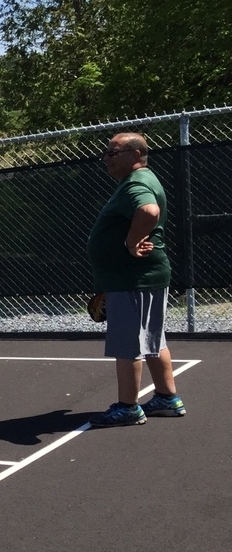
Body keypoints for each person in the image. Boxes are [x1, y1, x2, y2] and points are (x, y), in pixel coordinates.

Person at [86, 132, 185, 427]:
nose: (106, 159)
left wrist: (131, 242)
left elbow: (148, 211)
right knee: (153, 339)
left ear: (135, 154)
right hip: (140, 278)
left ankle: (128, 407)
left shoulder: (136, 183)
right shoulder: (141, 180)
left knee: (128, 343)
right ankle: (168, 399)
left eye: (112, 153)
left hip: (133, 279)